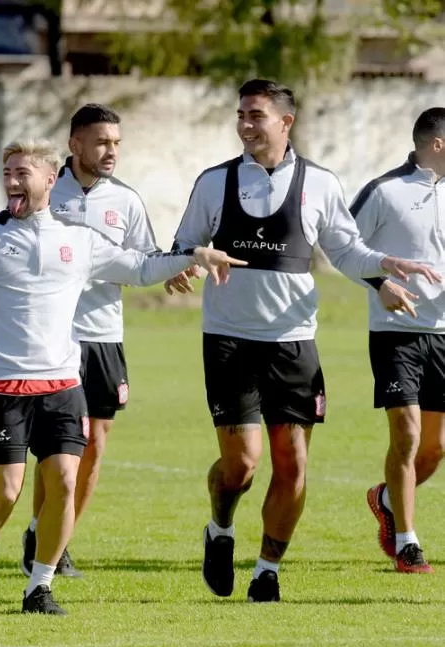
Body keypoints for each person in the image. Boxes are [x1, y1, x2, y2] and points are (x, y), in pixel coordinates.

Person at [0, 137, 247, 615]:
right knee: (8, 490)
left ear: (47, 180)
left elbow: (141, 267)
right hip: (1, 388)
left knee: (62, 479)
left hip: (63, 385)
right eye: (7, 174)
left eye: (22, 173)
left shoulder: (78, 240)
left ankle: (39, 587)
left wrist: (195, 256)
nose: (12, 182)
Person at [168, 78, 441, 603]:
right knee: (242, 465)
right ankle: (220, 527)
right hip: (229, 338)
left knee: (292, 463)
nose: (246, 124)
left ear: (285, 122)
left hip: (293, 343)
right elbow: (186, 244)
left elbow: (347, 251)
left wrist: (383, 272)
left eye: (257, 115)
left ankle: (267, 571)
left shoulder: (320, 183)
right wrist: (185, 267)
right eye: (242, 114)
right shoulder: (213, 182)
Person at [20, 103, 175, 579]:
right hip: (52, 337)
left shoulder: (126, 201)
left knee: (93, 448)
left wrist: (173, 271)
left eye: (117, 143)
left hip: (104, 338)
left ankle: (52, 539)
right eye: (102, 142)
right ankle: (42, 535)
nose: (111, 151)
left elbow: (146, 258)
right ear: (75, 145)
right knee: (56, 448)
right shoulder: (45, 189)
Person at [354, 107, 445, 574]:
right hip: (396, 334)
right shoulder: (384, 190)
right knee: (407, 434)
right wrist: (380, 285)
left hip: (443, 334)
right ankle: (408, 544)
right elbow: (343, 246)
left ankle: (386, 498)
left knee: (435, 448)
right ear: (438, 144)